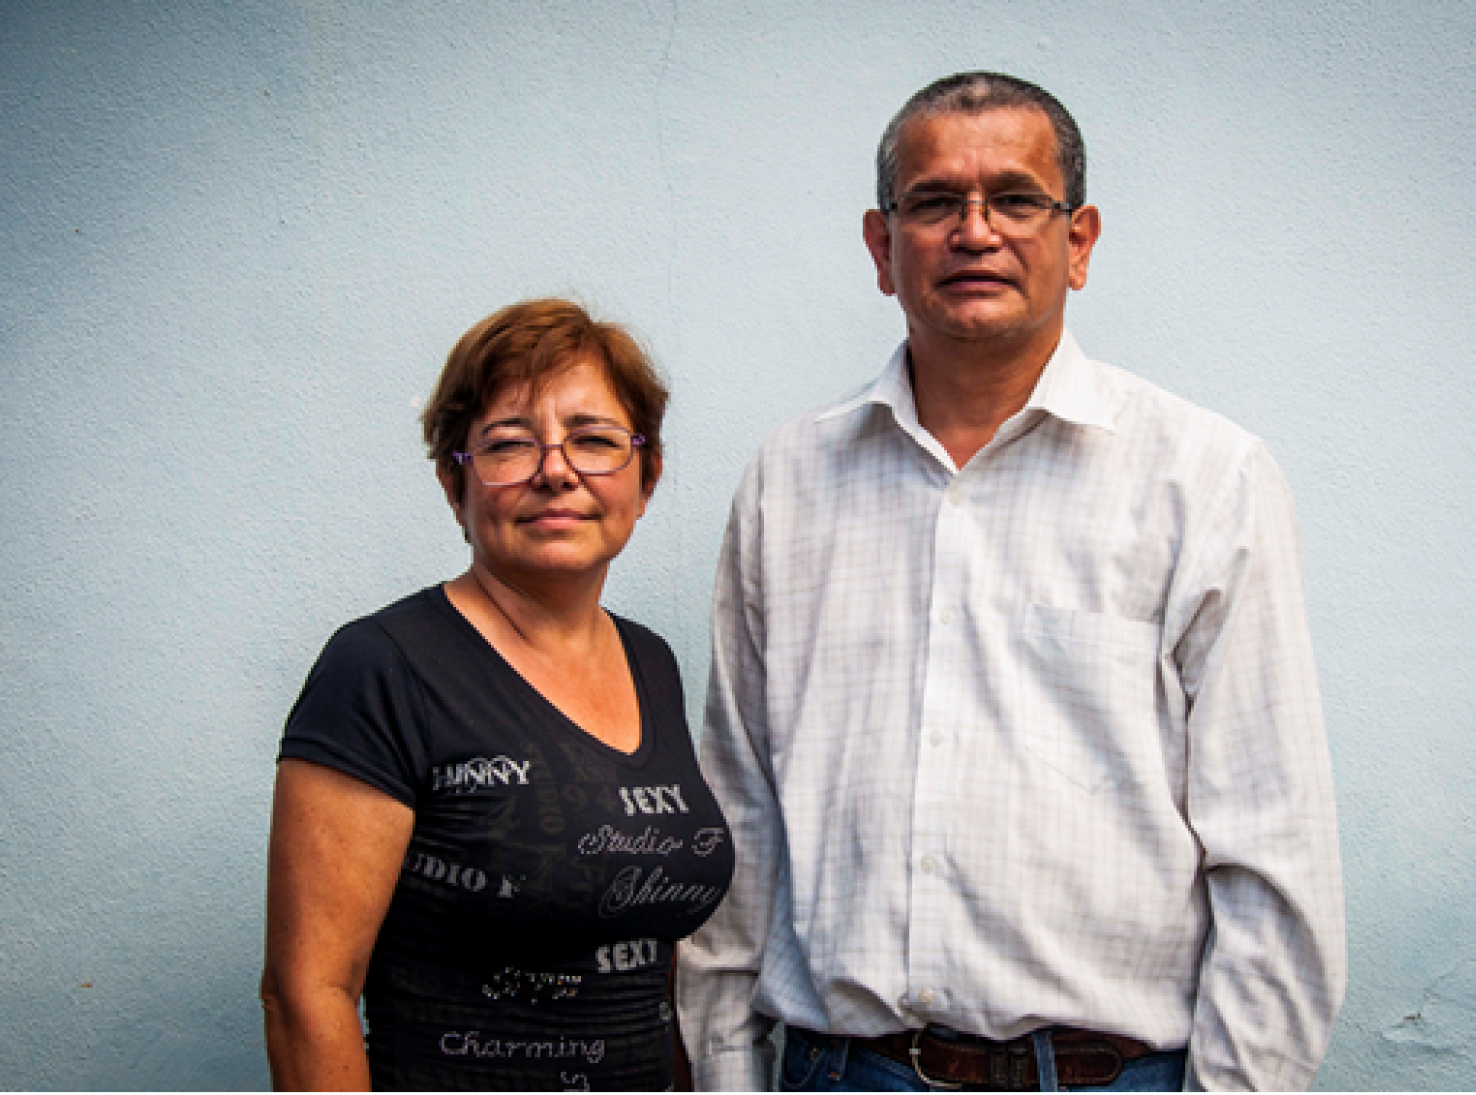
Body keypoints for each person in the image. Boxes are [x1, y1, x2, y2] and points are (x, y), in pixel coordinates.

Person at [677, 72, 1346, 1093]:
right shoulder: (789, 482)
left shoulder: (1203, 478)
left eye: (1016, 200)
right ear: (880, 244)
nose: (974, 231)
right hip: (838, 1073)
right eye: (935, 202)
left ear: (1077, 242)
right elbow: (741, 815)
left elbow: (1272, 856)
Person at [261, 298, 734, 1093]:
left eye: (593, 440)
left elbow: (653, 968)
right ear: (457, 483)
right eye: (510, 444)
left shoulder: (651, 661)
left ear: (645, 478)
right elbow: (307, 996)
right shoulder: (383, 668)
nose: (558, 470)